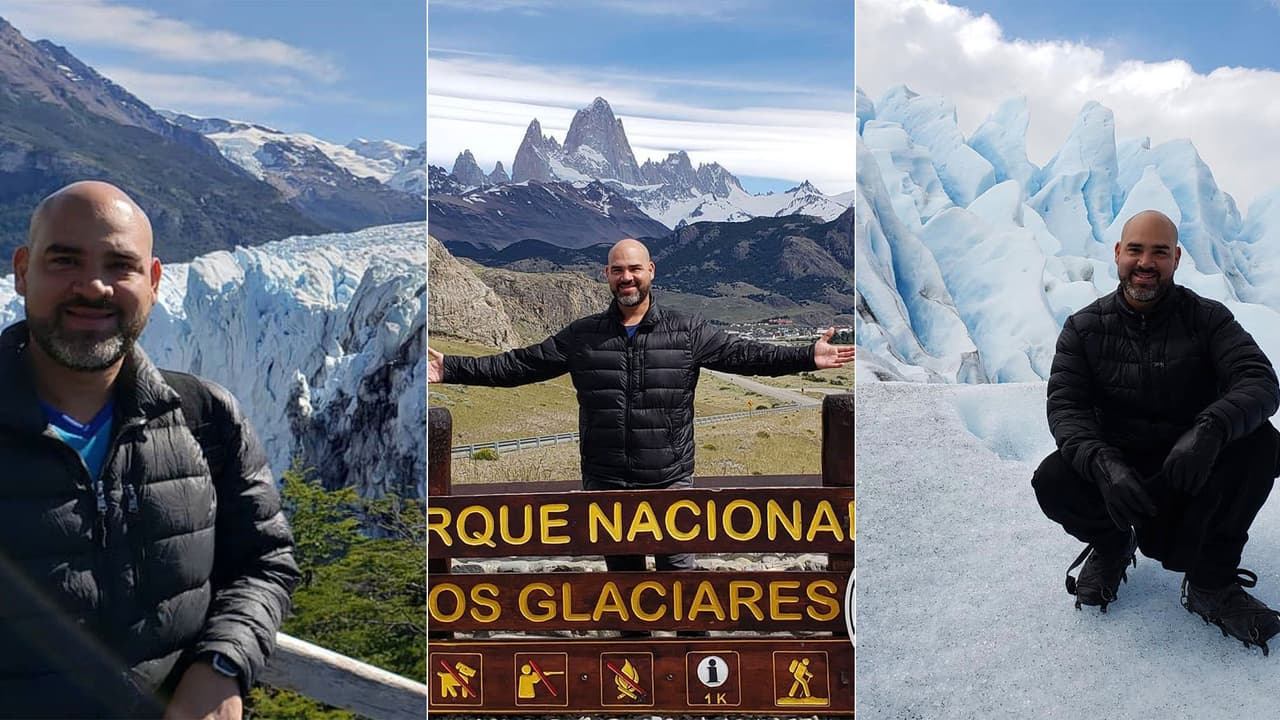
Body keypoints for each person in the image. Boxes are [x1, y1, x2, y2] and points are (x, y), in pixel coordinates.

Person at [0, 181, 300, 718]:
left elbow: (265, 562)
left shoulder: (206, 417)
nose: (93, 287)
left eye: (121, 265)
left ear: (155, 281)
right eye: (65, 260)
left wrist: (223, 664)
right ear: (23, 271)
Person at [427, 238, 853, 577]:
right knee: (626, 593)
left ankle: (691, 673)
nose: (626, 277)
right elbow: (519, 365)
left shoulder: (687, 332)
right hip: (607, 484)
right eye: (618, 270)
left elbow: (746, 356)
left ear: (650, 272)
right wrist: (452, 368)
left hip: (670, 483)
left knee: (681, 589)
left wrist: (805, 356)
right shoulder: (583, 336)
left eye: (634, 268)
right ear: (607, 276)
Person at [1032, 209, 1280, 654]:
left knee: (1262, 444)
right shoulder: (1084, 329)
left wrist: (1210, 430)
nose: (1146, 262)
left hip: (1190, 471)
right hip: (1122, 476)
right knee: (1053, 479)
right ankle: (1112, 544)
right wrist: (1103, 464)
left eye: (1159, 252)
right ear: (1117, 254)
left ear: (1177, 259)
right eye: (1136, 250)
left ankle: (1211, 582)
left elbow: (1259, 380)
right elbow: (1066, 408)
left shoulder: (1207, 320)